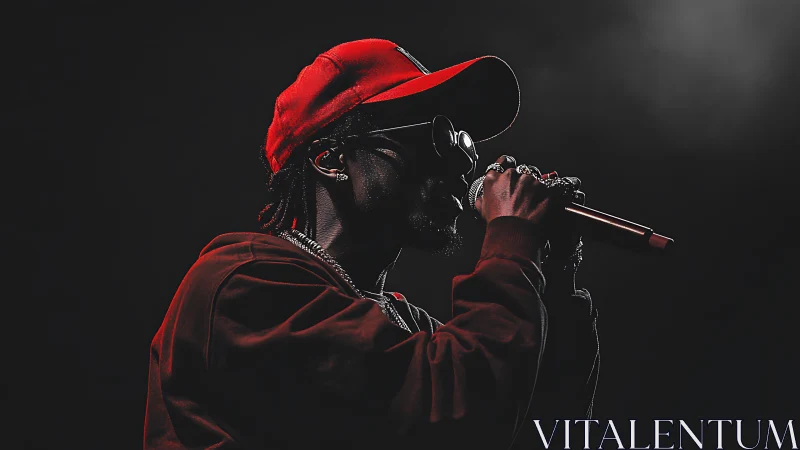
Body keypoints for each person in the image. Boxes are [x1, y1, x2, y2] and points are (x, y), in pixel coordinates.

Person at [144, 38, 600, 450]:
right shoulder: (244, 286)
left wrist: (555, 275)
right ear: (332, 158)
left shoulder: (407, 323)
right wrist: (511, 238)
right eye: (437, 135)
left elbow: (533, 430)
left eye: (465, 146)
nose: (461, 165)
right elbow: (458, 417)